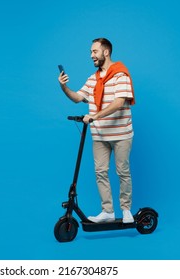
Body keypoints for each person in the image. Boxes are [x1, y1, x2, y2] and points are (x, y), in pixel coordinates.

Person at [58, 37, 135, 223]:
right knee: (100, 172)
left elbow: (118, 103)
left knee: (122, 172)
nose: (91, 55)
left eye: (94, 51)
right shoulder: (93, 79)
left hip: (121, 135)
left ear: (106, 52)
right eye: (91, 52)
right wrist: (64, 87)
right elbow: (78, 97)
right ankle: (107, 211)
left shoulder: (120, 75)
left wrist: (95, 116)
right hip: (100, 135)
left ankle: (126, 211)